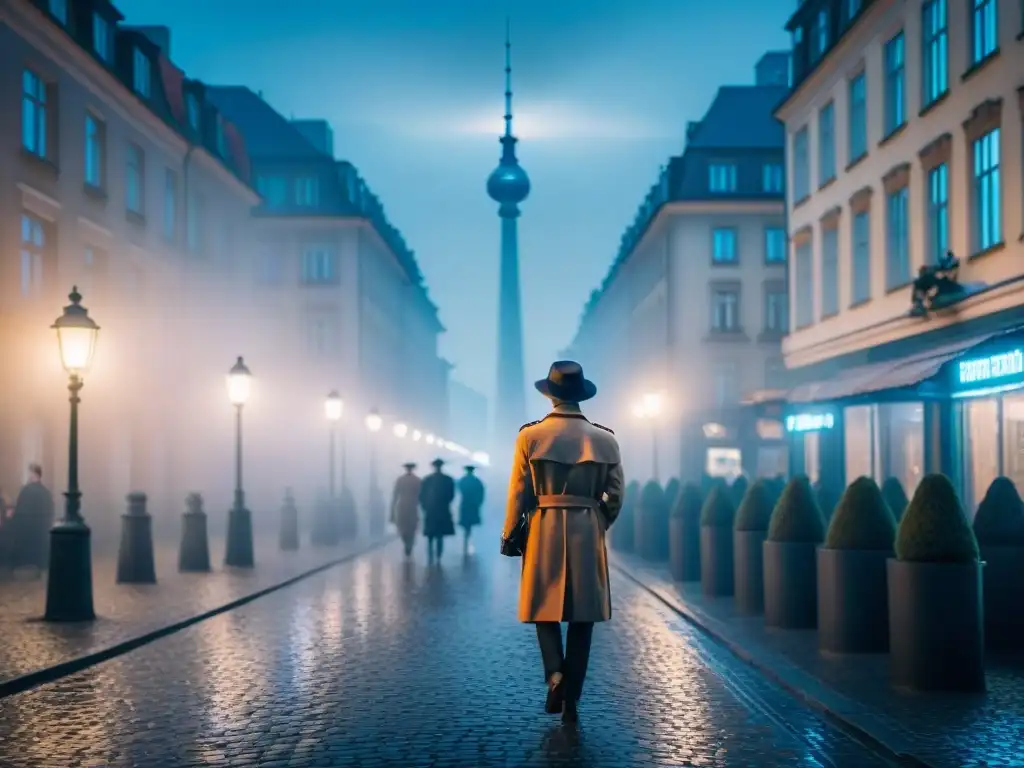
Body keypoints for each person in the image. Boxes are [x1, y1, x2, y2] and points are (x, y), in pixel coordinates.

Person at [500, 361, 623, 724]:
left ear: (550, 394)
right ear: (580, 395)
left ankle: (555, 674)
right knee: (583, 616)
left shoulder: (529, 436)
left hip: (544, 526)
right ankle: (573, 698)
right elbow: (615, 495)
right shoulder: (605, 439)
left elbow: (518, 492)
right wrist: (598, 519)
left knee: (544, 607)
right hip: (586, 525)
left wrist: (510, 534)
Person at [9, 464, 56, 571]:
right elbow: (50, 510)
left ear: (33, 474)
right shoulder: (46, 492)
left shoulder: (26, 490)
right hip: (42, 529)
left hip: (27, 530)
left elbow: (21, 509)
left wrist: (13, 515)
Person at [419, 458, 455, 564]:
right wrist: (445, 503)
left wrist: (425, 506)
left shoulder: (427, 479)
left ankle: (430, 553)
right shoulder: (448, 479)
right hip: (442, 509)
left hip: (431, 509)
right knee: (440, 534)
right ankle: (438, 555)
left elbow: (422, 495)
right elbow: (451, 495)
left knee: (430, 533)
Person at [391, 462, 421, 557]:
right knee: (408, 527)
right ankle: (409, 543)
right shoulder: (417, 480)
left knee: (404, 527)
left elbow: (395, 494)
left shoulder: (401, 480)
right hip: (410, 506)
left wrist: (393, 507)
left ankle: (408, 544)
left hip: (405, 506)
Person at [457, 465, 485, 556]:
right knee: (469, 525)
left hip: (466, 504)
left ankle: (466, 542)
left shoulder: (463, 480)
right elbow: (481, 493)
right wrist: (478, 502)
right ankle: (468, 542)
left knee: (466, 525)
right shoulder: (476, 481)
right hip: (472, 505)